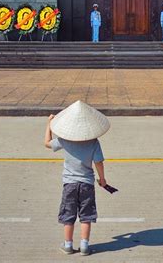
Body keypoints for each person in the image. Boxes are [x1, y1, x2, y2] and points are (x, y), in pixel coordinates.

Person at [45, 100, 110, 256]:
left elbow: (47, 143)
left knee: (68, 215)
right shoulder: (94, 142)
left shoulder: (64, 140)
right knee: (86, 216)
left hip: (69, 184)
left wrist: (49, 124)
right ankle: (85, 246)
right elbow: (99, 162)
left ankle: (68, 245)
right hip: (87, 183)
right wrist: (102, 179)